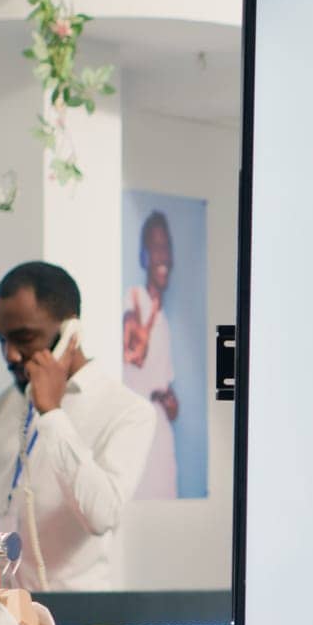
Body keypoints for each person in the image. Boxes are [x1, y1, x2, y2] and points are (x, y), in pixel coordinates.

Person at [0, 261, 158, 591]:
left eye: (24, 338)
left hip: (77, 622)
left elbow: (101, 515)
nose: (10, 355)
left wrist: (52, 414)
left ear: (70, 333)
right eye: (1, 340)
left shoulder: (128, 412)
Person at [123, 210, 180, 499]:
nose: (163, 255)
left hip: (162, 436)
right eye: (155, 247)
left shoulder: (164, 318)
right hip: (137, 435)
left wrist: (170, 403)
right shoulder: (133, 299)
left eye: (166, 246)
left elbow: (163, 383)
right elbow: (133, 352)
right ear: (144, 256)